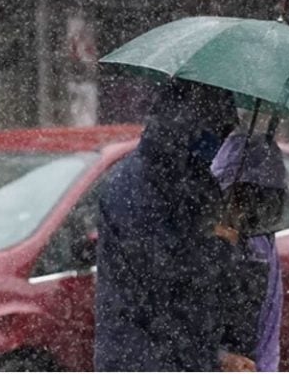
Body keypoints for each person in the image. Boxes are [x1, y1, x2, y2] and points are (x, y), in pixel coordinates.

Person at [94, 80, 255, 371]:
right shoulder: (136, 187)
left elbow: (199, 303)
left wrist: (218, 355)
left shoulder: (196, 184)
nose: (218, 141)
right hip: (140, 360)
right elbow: (164, 280)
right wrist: (220, 247)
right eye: (215, 129)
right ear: (189, 125)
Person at [212, 133, 287, 372]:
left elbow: (268, 327)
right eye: (240, 197)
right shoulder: (194, 242)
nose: (245, 211)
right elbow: (171, 326)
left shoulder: (261, 247)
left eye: (258, 200)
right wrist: (219, 358)